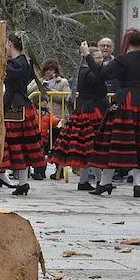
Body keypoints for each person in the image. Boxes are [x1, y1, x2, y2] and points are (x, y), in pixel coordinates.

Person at [84, 30, 140, 198]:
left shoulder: (122, 60)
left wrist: (87, 55)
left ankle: (105, 182)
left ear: (126, 42)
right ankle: (137, 185)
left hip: (126, 102)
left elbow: (100, 74)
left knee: (114, 142)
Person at [50, 47, 108, 190]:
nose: (101, 60)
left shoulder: (84, 71)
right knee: (92, 146)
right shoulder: (88, 72)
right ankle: (100, 181)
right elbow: (99, 87)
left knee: (85, 146)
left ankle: (83, 181)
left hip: (86, 108)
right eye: (97, 58)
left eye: (101, 57)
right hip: (91, 110)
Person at [0, 33, 45, 196]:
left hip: (16, 105)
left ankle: (18, 181)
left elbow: (8, 74)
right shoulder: (20, 62)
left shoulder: (19, 63)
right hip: (17, 103)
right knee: (19, 144)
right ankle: (20, 181)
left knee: (16, 143)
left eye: (6, 43)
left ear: (10, 44)